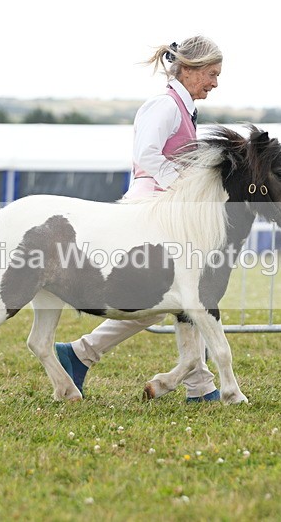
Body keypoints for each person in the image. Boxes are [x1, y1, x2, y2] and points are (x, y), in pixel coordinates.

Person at [55, 36, 223, 402]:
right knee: (166, 299)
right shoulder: (164, 106)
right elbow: (146, 154)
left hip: (166, 208)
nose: (214, 82)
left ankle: (198, 383)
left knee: (181, 298)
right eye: (211, 74)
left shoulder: (182, 107)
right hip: (152, 206)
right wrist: (181, 187)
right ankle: (83, 353)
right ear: (191, 70)